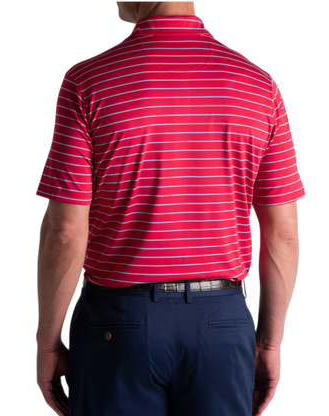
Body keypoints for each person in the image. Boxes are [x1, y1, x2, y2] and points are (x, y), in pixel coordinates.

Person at [33, 0, 308, 415]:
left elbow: (65, 231)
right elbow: (284, 232)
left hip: (119, 323)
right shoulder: (259, 84)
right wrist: (272, 343)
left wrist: (48, 343)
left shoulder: (88, 81)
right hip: (222, 322)